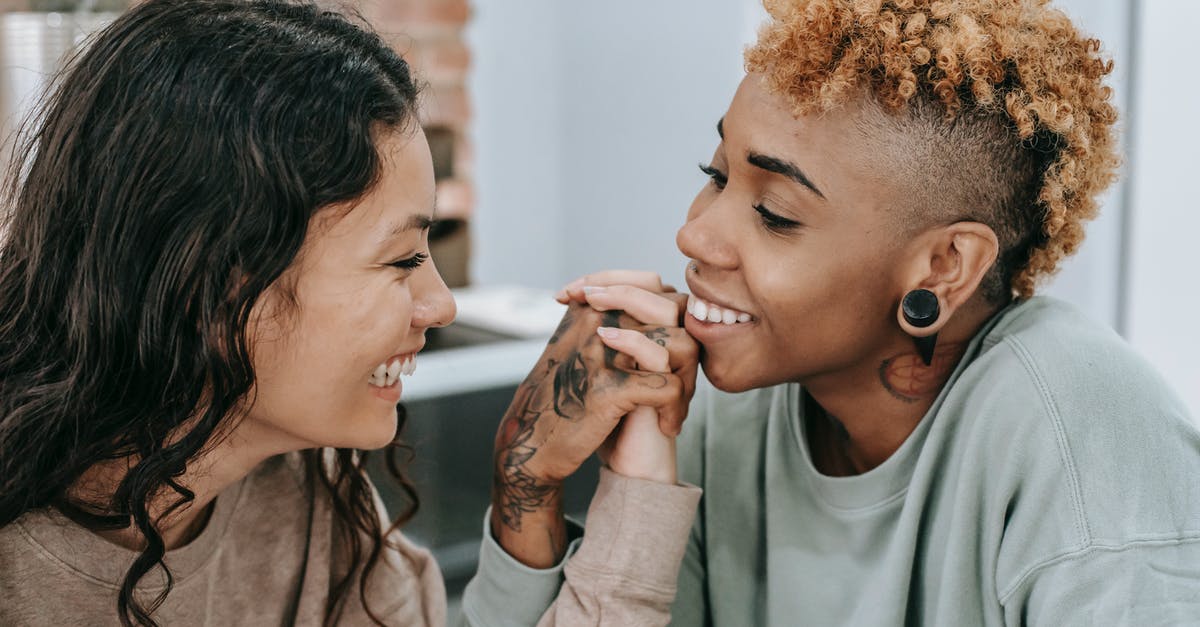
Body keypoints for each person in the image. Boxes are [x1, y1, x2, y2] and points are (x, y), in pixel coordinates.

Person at [464, 0, 1200, 624]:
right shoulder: (721, 414)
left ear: (943, 266)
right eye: (714, 175)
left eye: (777, 214)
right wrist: (525, 485)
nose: (694, 235)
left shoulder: (1083, 432)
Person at [0, 1, 701, 625]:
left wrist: (544, 477)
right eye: (401, 260)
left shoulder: (314, 498)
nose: (442, 304)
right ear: (211, 287)